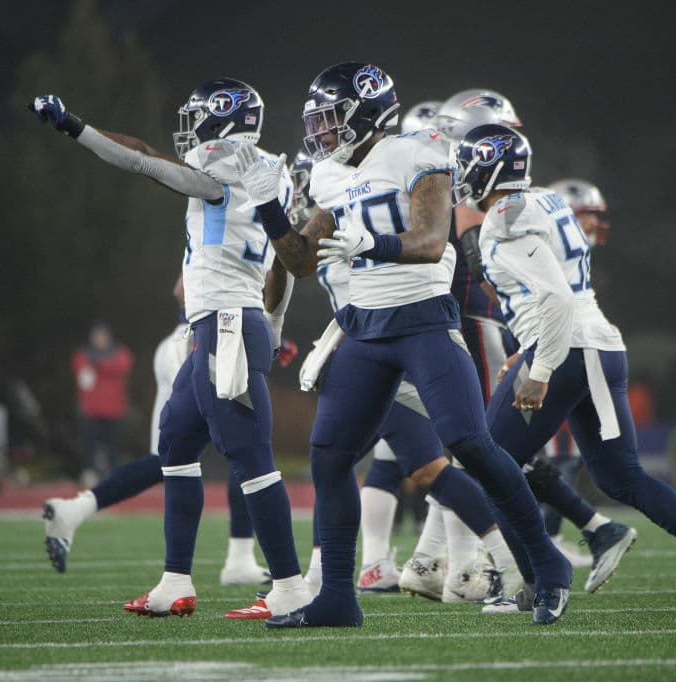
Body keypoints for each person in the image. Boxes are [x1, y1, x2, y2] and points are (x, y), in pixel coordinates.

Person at [239, 62, 573, 627]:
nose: (318, 132)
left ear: (365, 113)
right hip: (365, 327)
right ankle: (339, 599)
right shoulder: (328, 175)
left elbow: (428, 240)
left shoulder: (418, 152)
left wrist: (372, 244)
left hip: (422, 318)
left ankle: (548, 564)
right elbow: (297, 260)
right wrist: (270, 208)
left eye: (328, 119)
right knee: (330, 455)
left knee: (469, 441)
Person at [29, 79, 309, 619]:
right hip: (222, 323)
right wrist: (273, 327)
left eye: (200, 118)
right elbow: (282, 267)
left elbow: (144, 160)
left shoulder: (225, 174)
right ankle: (175, 581)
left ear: (223, 123)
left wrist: (76, 127)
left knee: (251, 458)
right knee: (176, 446)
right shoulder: (270, 173)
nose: (190, 129)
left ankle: (291, 587)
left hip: (226, 325)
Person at [456, 122, 676, 611]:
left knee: (488, 460)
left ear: (492, 167)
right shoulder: (547, 199)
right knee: (619, 475)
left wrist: (541, 368)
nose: (463, 176)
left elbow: (554, 296)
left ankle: (535, 579)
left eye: (470, 166)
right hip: (594, 344)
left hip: (568, 348)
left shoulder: (504, 217)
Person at [289, 150, 517, 603]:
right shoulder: (342, 223)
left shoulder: (349, 220)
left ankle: (485, 561)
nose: (304, 194)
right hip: (373, 348)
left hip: (382, 346)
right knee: (414, 465)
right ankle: (496, 560)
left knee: (409, 463)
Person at [43, 275, 270, 588]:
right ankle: (238, 558)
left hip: (183, 341)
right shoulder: (245, 229)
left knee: (166, 460)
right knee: (243, 444)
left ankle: (74, 510)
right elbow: (184, 288)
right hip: (201, 340)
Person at [71, 321, 134, 484]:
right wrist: (105, 367)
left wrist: (98, 365)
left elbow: (122, 366)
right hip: (90, 410)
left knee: (113, 445)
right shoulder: (83, 354)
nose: (100, 339)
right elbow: (82, 376)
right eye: (97, 336)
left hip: (114, 409)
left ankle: (113, 473)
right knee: (88, 445)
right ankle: (89, 472)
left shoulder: (120, 353)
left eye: (103, 336)